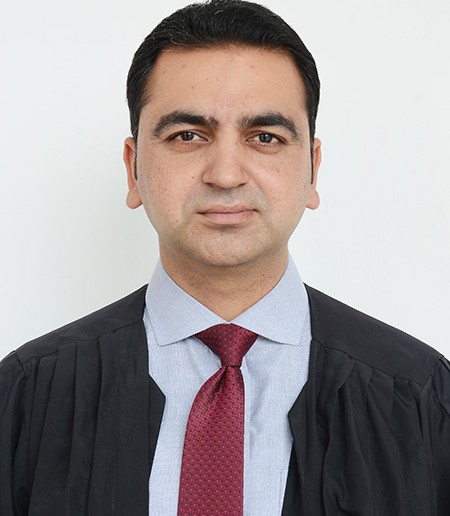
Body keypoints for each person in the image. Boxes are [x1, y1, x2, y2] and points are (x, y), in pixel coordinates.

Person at [1, 0, 449, 514]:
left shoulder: (419, 397)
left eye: (265, 137)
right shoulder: (26, 396)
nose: (226, 174)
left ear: (312, 169)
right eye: (188, 135)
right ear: (133, 168)